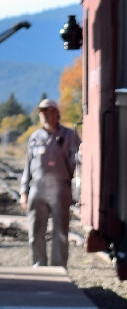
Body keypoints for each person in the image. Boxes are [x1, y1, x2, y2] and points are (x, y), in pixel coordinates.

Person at [20, 97, 80, 267]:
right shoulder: (34, 137)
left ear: (57, 113)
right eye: (42, 112)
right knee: (36, 231)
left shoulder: (69, 136)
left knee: (60, 232)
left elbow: (79, 164)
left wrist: (78, 190)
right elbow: (27, 166)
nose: (45, 115)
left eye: (49, 111)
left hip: (61, 189)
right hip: (37, 189)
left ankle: (58, 267)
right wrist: (24, 191)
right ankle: (39, 265)